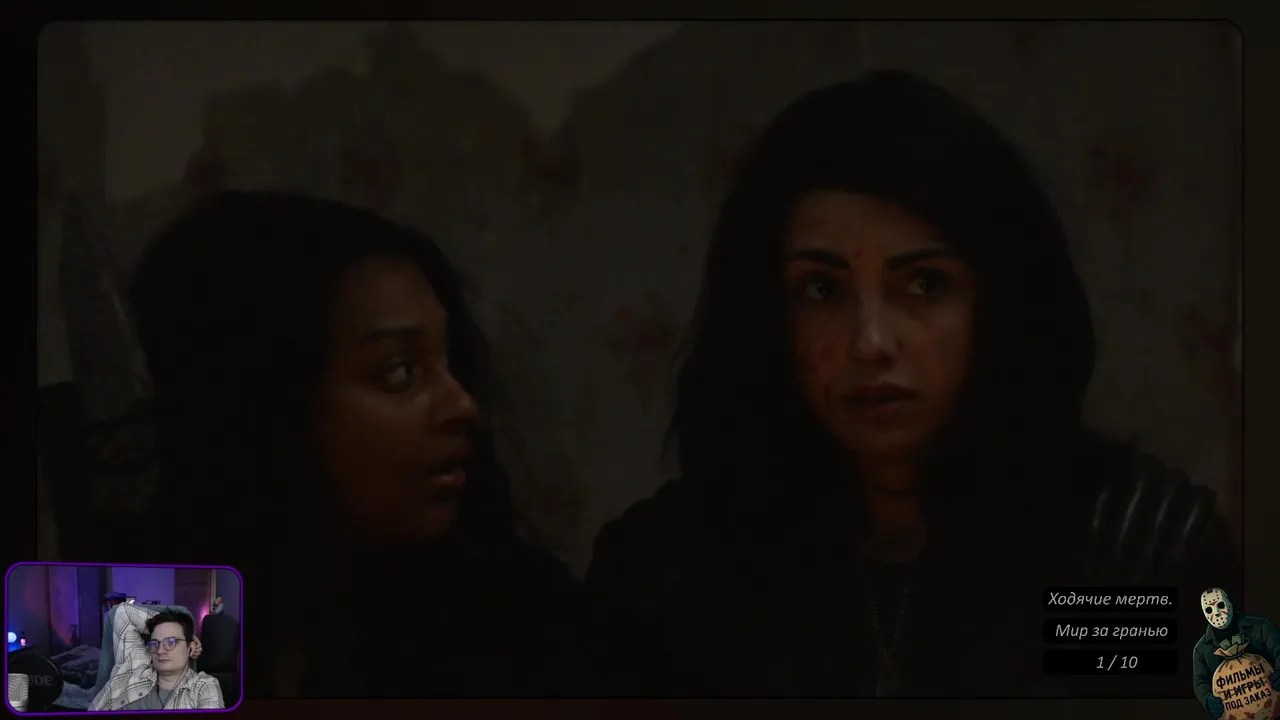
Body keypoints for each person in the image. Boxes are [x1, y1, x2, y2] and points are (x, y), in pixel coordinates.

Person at [586, 70, 1240, 698]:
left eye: (925, 284)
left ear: (998, 302)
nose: (871, 343)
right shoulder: (673, 572)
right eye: (822, 289)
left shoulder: (1126, 552)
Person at [126, 191, 582, 697]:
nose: (462, 404)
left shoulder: (525, 629)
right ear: (265, 402)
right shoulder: (136, 630)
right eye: (400, 371)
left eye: (449, 360)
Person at [89, 608, 222, 711]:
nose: (160, 651)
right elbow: (124, 614)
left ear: (190, 647)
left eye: (171, 642)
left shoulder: (204, 687)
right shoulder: (137, 666)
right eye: (155, 643)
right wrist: (187, 635)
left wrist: (186, 636)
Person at [1192, 588, 1280, 718]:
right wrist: (1207, 699)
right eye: (1209, 610)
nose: (1216, 613)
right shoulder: (1201, 650)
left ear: (1230, 602)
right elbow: (1200, 681)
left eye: (1220, 605)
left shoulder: (1261, 627)